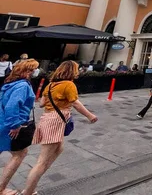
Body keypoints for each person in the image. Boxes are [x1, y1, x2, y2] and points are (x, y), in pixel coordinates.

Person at [22, 61, 97, 195]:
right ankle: (28, 191)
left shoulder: (51, 85)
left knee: (59, 148)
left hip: (47, 118)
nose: (78, 71)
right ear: (72, 71)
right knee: (42, 162)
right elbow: (76, 104)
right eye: (76, 69)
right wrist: (90, 116)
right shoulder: (69, 84)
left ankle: (33, 183)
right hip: (55, 120)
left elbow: (42, 103)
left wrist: (55, 99)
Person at [0, 59, 39, 195]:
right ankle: (1, 188)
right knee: (20, 154)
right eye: (32, 70)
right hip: (8, 126)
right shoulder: (22, 86)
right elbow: (12, 106)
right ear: (25, 71)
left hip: (1, 121)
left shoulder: (10, 83)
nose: (34, 72)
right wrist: (15, 125)